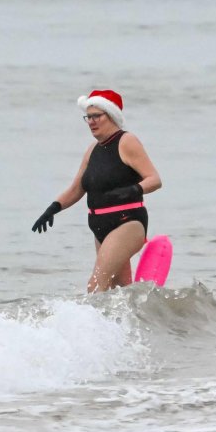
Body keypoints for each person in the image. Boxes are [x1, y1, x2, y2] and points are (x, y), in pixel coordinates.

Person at [31, 89, 162, 293]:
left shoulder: (126, 141)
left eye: (96, 116)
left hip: (127, 223)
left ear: (111, 116)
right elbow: (77, 188)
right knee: (119, 292)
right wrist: (53, 208)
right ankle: (136, 322)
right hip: (100, 227)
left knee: (95, 286)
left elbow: (154, 179)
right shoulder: (93, 149)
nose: (91, 121)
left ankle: (84, 325)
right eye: (88, 117)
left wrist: (132, 190)